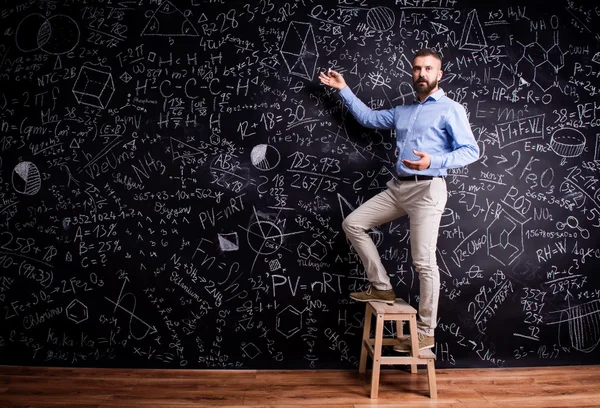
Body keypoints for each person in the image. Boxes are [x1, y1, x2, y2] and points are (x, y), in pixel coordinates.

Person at [318, 48, 479, 351]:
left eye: (428, 69)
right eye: (417, 69)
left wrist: (432, 161)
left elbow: (472, 151)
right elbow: (367, 118)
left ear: (439, 74)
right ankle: (381, 287)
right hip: (399, 188)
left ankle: (426, 330)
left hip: (428, 189)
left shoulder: (450, 109)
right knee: (353, 224)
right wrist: (344, 90)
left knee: (423, 262)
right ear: (412, 73)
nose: (422, 74)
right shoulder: (403, 111)